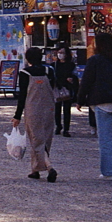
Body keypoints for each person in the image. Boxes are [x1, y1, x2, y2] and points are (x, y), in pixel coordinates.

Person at [76, 33, 112, 180]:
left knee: (105, 137)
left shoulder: (95, 60)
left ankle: (108, 172)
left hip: (102, 102)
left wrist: (80, 99)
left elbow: (86, 82)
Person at [12, 46, 58, 182]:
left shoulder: (25, 73)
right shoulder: (49, 71)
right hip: (49, 108)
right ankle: (35, 169)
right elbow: (54, 87)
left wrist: (17, 116)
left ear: (27, 58)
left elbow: (22, 96)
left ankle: (49, 167)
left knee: (35, 139)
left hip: (33, 109)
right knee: (45, 138)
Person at [53, 47, 77, 137]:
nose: (60, 54)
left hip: (67, 88)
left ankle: (66, 129)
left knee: (67, 110)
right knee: (57, 109)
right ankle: (58, 126)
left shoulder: (71, 65)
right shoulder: (54, 65)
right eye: (59, 52)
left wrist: (72, 80)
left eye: (62, 52)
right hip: (57, 89)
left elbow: (75, 76)